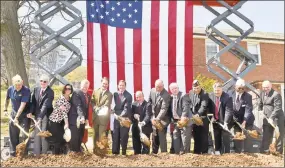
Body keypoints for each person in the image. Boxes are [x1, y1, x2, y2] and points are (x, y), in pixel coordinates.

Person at [3, 75, 31, 157]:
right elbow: (7, 99)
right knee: (13, 134)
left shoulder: (26, 90)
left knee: (24, 134)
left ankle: (24, 153)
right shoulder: (10, 89)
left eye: (20, 84)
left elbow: (22, 105)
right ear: (13, 84)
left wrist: (17, 118)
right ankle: (13, 153)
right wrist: (5, 109)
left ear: (22, 82)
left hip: (24, 114)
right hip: (14, 113)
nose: (19, 86)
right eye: (17, 85)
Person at [28, 74, 54, 157]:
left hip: (45, 115)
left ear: (48, 83)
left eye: (45, 81)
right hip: (36, 115)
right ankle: (37, 154)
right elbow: (33, 103)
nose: (43, 82)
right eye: (41, 81)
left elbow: (45, 106)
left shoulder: (50, 92)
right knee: (37, 134)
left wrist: (40, 118)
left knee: (43, 134)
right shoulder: (36, 89)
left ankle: (44, 154)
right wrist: (31, 112)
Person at [228, 79, 255, 153]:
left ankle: (248, 152)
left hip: (247, 120)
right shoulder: (230, 94)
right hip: (236, 120)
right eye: (239, 88)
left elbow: (248, 109)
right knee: (237, 136)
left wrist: (245, 121)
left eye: (242, 88)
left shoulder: (248, 96)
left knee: (247, 137)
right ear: (235, 87)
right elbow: (229, 107)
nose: (241, 90)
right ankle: (238, 152)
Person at [258, 80, 284, 154]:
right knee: (266, 135)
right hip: (266, 118)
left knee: (278, 136)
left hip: (277, 118)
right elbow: (260, 103)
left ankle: (278, 152)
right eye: (264, 87)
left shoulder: (276, 95)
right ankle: (265, 151)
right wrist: (260, 110)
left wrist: (271, 118)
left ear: (271, 86)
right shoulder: (262, 93)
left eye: (267, 87)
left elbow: (277, 108)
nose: (265, 89)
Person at [46, 84, 73, 154]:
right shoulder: (62, 99)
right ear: (64, 89)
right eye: (66, 88)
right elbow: (64, 113)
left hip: (60, 121)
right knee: (58, 139)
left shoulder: (70, 99)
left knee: (62, 138)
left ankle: (60, 153)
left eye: (69, 89)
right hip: (54, 121)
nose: (68, 90)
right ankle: (56, 155)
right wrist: (67, 123)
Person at [208, 82, 233, 154]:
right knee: (216, 137)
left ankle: (226, 153)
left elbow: (229, 111)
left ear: (222, 89)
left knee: (225, 137)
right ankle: (217, 152)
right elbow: (209, 108)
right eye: (215, 90)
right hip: (215, 121)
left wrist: (226, 122)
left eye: (218, 91)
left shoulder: (228, 97)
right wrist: (211, 117)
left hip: (225, 121)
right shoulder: (210, 96)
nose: (216, 92)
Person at [147, 79, 171, 154]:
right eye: (157, 86)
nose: (158, 88)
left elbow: (164, 109)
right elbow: (149, 103)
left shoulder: (166, 95)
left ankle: (164, 153)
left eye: (160, 87)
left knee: (161, 136)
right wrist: (151, 116)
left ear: (163, 86)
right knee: (154, 136)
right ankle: (154, 153)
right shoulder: (152, 91)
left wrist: (157, 119)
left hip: (163, 119)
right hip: (154, 117)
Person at [168, 83, 192, 154]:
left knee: (185, 136)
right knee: (175, 134)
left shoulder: (184, 96)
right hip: (176, 121)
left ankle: (186, 153)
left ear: (178, 88)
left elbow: (186, 107)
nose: (174, 90)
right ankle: (177, 153)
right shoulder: (171, 97)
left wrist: (183, 117)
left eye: (176, 88)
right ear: (170, 90)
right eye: (172, 89)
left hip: (185, 120)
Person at [68, 79, 91, 152]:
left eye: (87, 87)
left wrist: (86, 118)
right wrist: (82, 116)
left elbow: (86, 108)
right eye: (84, 86)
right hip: (75, 119)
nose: (85, 88)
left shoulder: (88, 95)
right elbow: (78, 106)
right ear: (81, 85)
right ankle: (73, 154)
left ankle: (78, 152)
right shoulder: (76, 93)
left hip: (82, 120)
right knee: (74, 137)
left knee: (80, 136)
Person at [91, 77, 113, 153]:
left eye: (106, 84)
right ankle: (95, 151)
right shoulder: (95, 91)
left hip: (103, 118)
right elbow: (92, 101)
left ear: (108, 85)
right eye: (103, 83)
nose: (105, 85)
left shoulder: (109, 94)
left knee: (101, 135)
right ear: (101, 83)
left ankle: (101, 152)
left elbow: (106, 105)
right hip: (95, 117)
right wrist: (95, 108)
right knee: (95, 135)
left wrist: (98, 109)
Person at [188, 80, 209, 154]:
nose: (196, 90)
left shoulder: (204, 94)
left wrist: (198, 114)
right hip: (193, 117)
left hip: (202, 118)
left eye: (197, 88)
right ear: (192, 87)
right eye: (194, 88)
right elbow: (189, 104)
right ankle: (196, 151)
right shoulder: (190, 93)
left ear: (200, 87)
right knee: (196, 135)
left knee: (203, 135)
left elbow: (203, 106)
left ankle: (204, 152)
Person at [112, 80, 133, 155]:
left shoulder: (128, 95)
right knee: (115, 135)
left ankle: (123, 152)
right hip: (116, 117)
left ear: (125, 86)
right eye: (120, 85)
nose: (121, 87)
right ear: (118, 86)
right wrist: (114, 113)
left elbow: (127, 108)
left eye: (123, 85)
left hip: (125, 118)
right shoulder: (115, 94)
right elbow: (113, 105)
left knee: (124, 136)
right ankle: (115, 152)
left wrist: (120, 116)